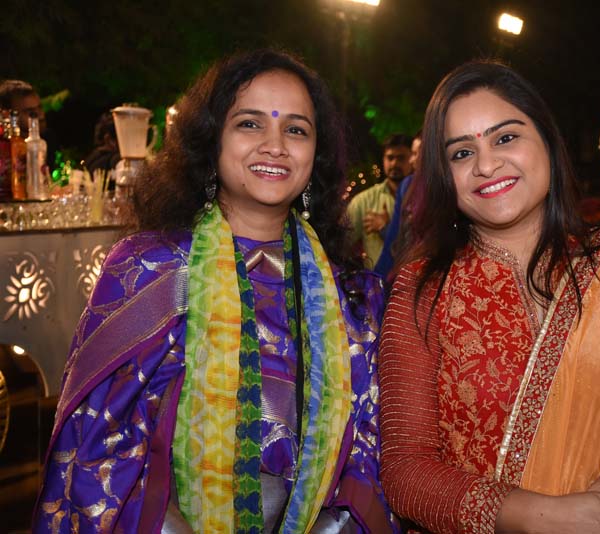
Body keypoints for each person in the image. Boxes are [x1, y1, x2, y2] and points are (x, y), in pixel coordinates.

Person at [33, 49, 395, 533]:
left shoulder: (355, 296)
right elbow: (97, 447)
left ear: (317, 153)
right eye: (250, 124)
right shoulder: (149, 271)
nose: (275, 145)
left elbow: (372, 453)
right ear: (211, 140)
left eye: (296, 129)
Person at [379, 61, 600, 533]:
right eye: (462, 152)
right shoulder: (423, 289)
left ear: (547, 140)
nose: (486, 165)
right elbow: (407, 471)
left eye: (506, 138)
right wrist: (543, 517)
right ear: (443, 174)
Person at [347, 133, 413, 267]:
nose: (394, 163)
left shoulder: (422, 198)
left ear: (412, 159)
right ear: (383, 160)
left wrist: (385, 228)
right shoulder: (364, 201)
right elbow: (341, 244)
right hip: (376, 279)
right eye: (390, 158)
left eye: (401, 158)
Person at [374, 131, 421, 278]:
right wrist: (375, 283)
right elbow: (393, 243)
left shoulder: (450, 188)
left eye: (416, 153)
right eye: (390, 158)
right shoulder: (407, 187)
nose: (412, 160)